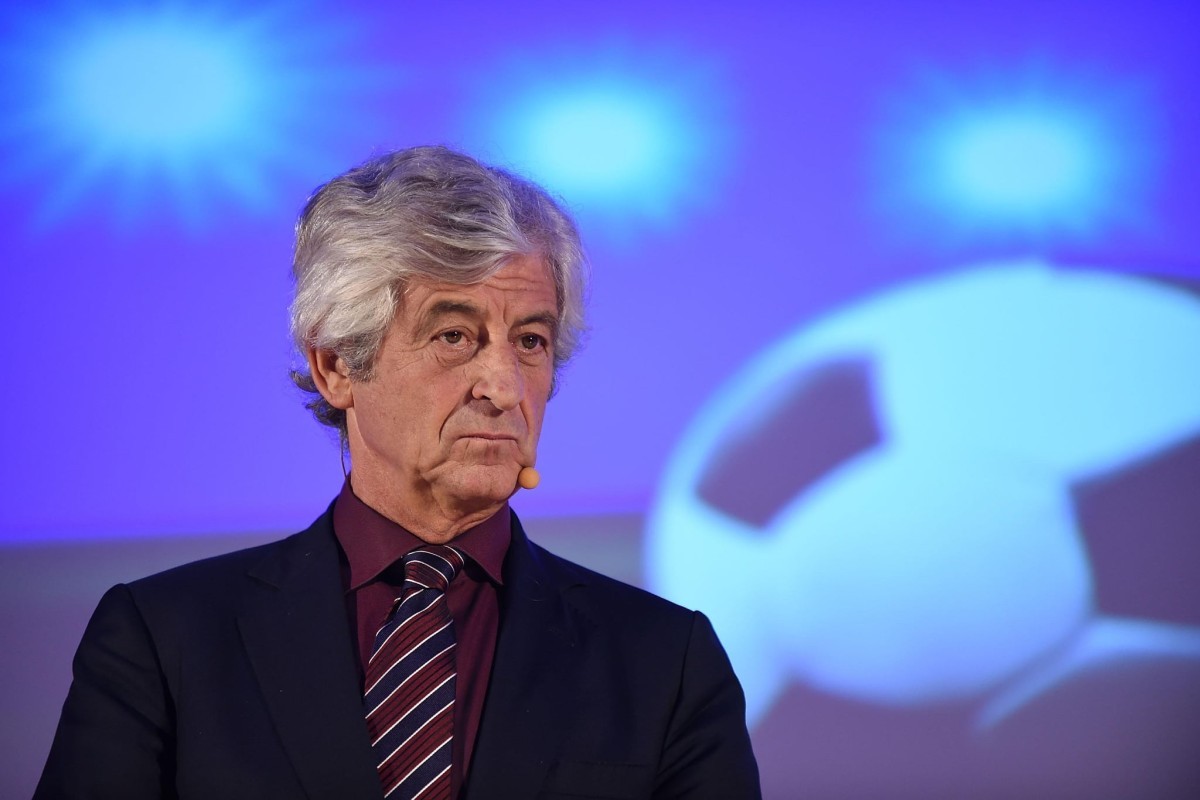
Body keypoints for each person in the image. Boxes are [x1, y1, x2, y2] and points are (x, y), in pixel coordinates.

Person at [35, 146, 761, 799]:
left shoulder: (666, 663)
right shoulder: (165, 641)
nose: (504, 387)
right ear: (336, 367)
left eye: (531, 341)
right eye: (455, 335)